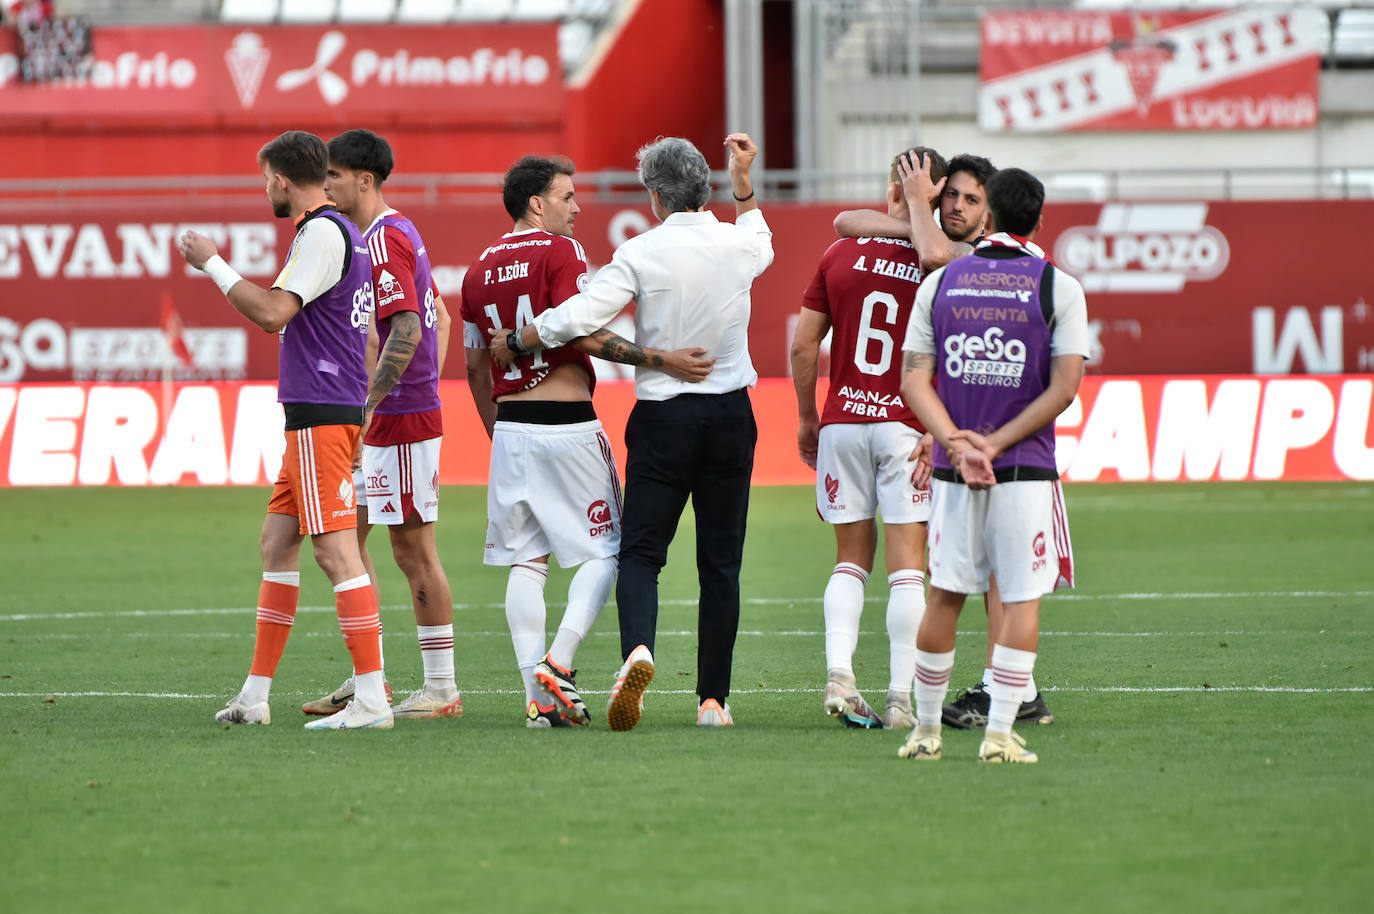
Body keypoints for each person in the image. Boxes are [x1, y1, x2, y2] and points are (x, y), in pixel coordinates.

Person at [492, 134, 772, 730]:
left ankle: (638, 652)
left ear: (654, 196)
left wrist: (520, 339)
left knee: (642, 555)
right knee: (721, 563)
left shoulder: (641, 252)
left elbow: (580, 317)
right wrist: (742, 180)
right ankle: (712, 703)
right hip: (729, 414)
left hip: (665, 418)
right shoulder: (736, 242)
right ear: (704, 187)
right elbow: (761, 237)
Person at [462, 154, 713, 728]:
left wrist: (498, 434)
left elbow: (476, 369)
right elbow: (580, 328)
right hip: (567, 424)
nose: (577, 207)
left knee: (526, 562)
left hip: (510, 432)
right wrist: (660, 360)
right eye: (567, 196)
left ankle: (538, 698)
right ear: (537, 204)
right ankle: (560, 662)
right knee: (611, 550)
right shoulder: (561, 252)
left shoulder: (476, 269)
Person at [179, 130, 392, 730]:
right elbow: (364, 332)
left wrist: (212, 264)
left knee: (335, 550)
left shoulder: (322, 231)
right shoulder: (333, 234)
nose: (264, 189)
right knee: (278, 542)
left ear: (280, 179)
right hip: (322, 410)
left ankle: (372, 700)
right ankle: (255, 694)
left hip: (322, 413)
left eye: (264, 179)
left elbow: (275, 313)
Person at [839, 152, 1055, 729]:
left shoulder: (997, 259)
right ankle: (1012, 687)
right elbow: (847, 223)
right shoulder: (948, 245)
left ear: (994, 214)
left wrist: (916, 206)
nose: (956, 207)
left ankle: (1003, 688)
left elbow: (933, 253)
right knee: (976, 569)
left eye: (970, 199)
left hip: (1011, 440)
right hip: (959, 431)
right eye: (949, 196)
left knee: (993, 572)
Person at [896, 167, 1088, 763]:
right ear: (1038, 220)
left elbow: (914, 380)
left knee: (945, 597)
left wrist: (955, 440)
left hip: (955, 471)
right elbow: (1064, 388)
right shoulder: (1059, 288)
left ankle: (925, 733)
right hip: (1023, 468)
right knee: (1020, 600)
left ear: (991, 217)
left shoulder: (943, 282)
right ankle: (999, 735)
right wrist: (995, 444)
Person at [298, 128, 462, 720]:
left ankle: (442, 689)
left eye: (333, 177)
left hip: (398, 419)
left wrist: (380, 403)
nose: (326, 186)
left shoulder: (385, 237)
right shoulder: (379, 233)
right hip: (392, 410)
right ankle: (372, 680)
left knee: (413, 548)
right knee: (347, 539)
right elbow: (440, 313)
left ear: (363, 180)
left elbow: (413, 328)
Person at [790, 147, 948, 731]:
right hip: (906, 425)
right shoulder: (944, 261)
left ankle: (839, 675)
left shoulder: (840, 252)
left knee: (850, 559)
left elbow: (804, 346)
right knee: (909, 566)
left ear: (891, 188)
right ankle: (901, 699)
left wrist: (808, 416)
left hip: (844, 422)